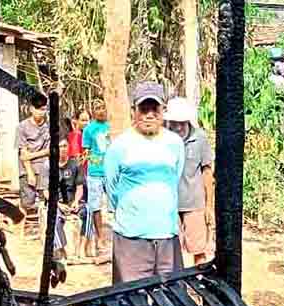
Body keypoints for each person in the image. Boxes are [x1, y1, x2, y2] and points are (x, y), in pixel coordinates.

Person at [104, 82, 185, 284]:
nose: (149, 114)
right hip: (131, 239)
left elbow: (175, 179)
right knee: (129, 303)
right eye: (144, 108)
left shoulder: (175, 143)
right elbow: (111, 187)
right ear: (134, 111)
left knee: (170, 301)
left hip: (167, 236)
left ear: (163, 110)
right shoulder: (119, 146)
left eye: (154, 108)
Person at [165, 96, 215, 265]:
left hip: (194, 203)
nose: (177, 126)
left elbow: (207, 172)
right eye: (174, 122)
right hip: (169, 204)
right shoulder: (163, 137)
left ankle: (200, 284)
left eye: (181, 122)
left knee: (198, 250)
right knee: (172, 252)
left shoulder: (199, 138)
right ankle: (176, 287)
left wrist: (209, 206)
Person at [16, 101, 50, 239]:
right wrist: (30, 172)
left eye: (43, 109)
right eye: (38, 109)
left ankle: (44, 231)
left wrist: (32, 154)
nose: (40, 112)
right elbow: (23, 153)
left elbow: (50, 150)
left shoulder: (49, 127)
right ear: (31, 109)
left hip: (44, 167)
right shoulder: (22, 127)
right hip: (26, 168)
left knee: (44, 200)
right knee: (26, 202)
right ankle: (20, 232)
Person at [82, 99, 110, 260]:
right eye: (97, 108)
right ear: (93, 111)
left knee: (116, 204)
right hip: (95, 173)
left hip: (112, 172)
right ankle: (100, 238)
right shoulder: (89, 129)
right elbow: (86, 152)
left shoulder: (112, 126)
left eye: (103, 107)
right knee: (95, 206)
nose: (100, 111)